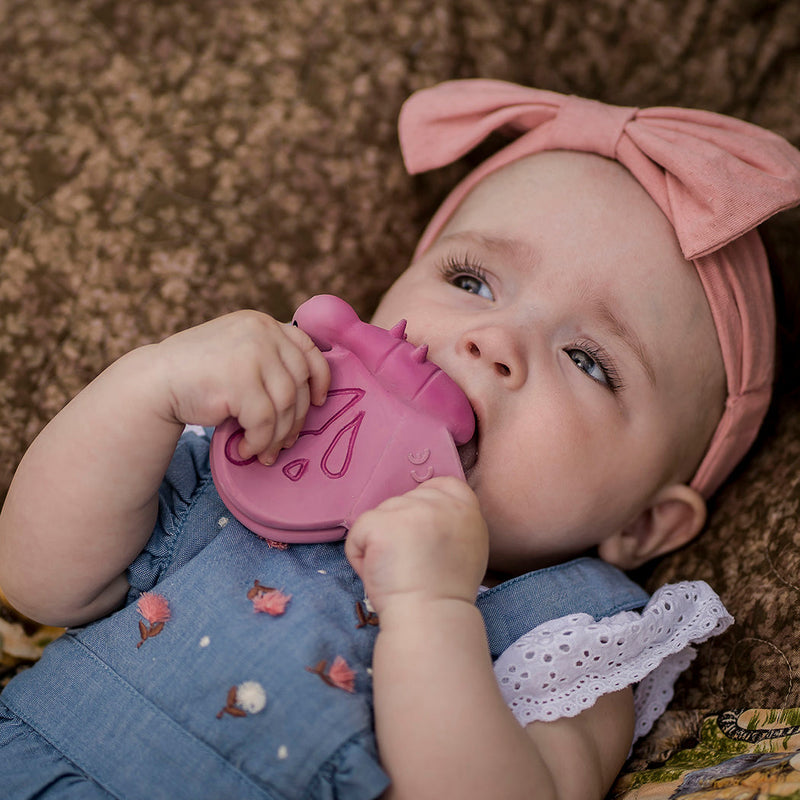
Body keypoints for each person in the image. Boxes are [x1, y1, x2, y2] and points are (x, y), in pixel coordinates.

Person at [0, 79, 799, 800]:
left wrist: (430, 608)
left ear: (641, 526)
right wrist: (149, 388)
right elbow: (39, 582)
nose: (492, 340)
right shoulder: (257, 449)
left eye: (588, 361)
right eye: (470, 281)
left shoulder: (568, 635)